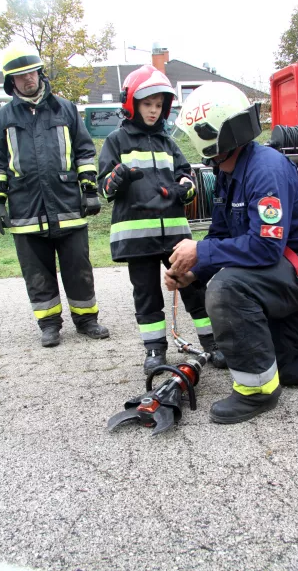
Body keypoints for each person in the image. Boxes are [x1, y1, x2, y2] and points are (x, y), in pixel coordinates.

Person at [164, 81, 298, 424]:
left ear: (212, 134)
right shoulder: (226, 174)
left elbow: (264, 246)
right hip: (285, 266)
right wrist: (192, 272)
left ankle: (257, 393)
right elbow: (221, 235)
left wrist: (200, 252)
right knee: (292, 366)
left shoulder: (265, 169)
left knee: (229, 287)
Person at [98, 65, 226, 373]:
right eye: (147, 104)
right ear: (132, 104)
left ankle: (212, 344)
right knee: (147, 295)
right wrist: (116, 178)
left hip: (174, 238)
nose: (154, 111)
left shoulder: (169, 143)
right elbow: (104, 188)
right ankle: (155, 351)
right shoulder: (115, 141)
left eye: (158, 105)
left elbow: (187, 177)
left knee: (194, 287)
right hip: (137, 238)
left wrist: (187, 187)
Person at [0, 46, 109, 347]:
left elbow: (83, 151)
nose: (27, 79)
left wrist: (90, 190)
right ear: (11, 82)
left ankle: (87, 320)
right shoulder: (2, 118)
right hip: (25, 209)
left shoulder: (65, 109)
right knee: (36, 273)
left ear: (40, 73)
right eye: (20, 76)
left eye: (31, 72)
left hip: (67, 204)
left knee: (78, 268)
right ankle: (49, 325)